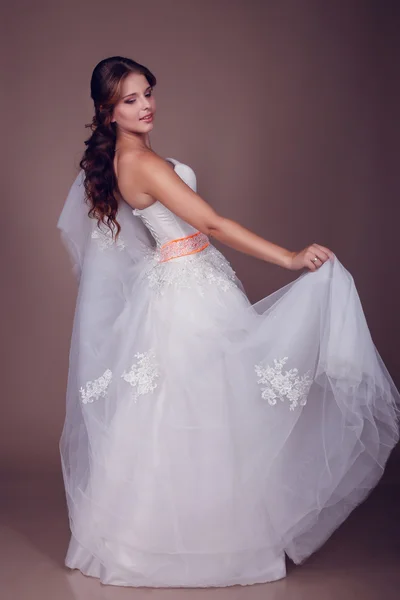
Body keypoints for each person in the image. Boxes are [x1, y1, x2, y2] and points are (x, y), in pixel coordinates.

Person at [57, 56, 400, 588]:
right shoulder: (141, 163)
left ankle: (178, 532)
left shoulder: (132, 157)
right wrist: (289, 257)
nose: (146, 105)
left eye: (148, 92)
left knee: (193, 407)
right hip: (187, 294)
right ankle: (190, 542)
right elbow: (212, 222)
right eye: (130, 99)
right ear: (107, 112)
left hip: (186, 282)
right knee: (201, 407)